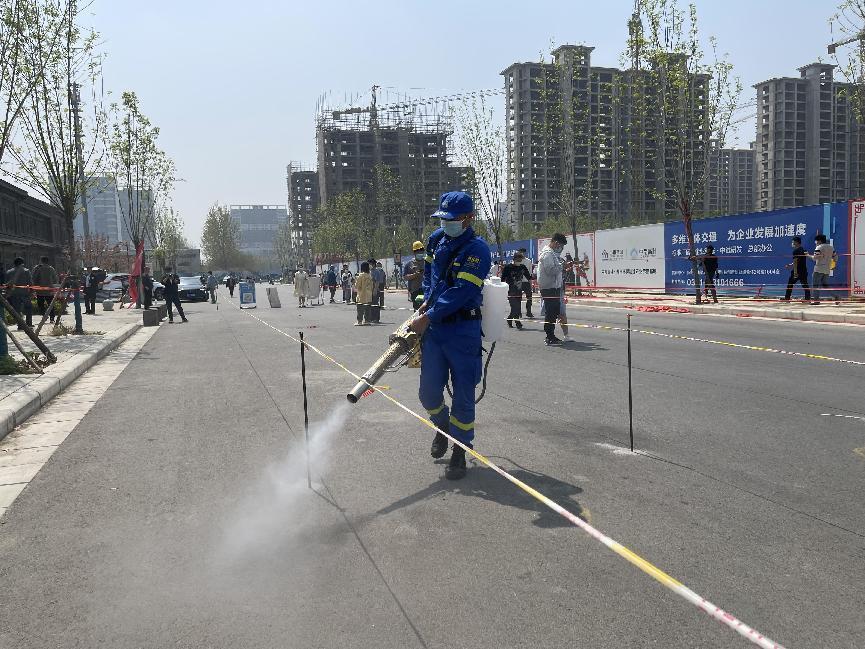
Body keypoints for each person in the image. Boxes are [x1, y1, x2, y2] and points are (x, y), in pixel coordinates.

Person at [410, 191, 491, 480]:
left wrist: (429, 315)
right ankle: (443, 427)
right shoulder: (435, 239)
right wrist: (427, 298)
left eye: (452, 219)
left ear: (468, 218)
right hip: (436, 330)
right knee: (428, 391)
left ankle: (460, 450)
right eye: (442, 219)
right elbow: (430, 272)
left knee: (464, 395)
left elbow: (463, 291)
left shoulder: (478, 250)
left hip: (462, 330)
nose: (446, 224)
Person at [536, 233, 572, 345]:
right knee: (550, 313)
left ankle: (551, 335)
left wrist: (562, 266)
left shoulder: (551, 254)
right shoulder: (547, 254)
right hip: (549, 288)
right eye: (560, 245)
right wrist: (563, 267)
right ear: (556, 243)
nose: (560, 248)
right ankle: (549, 336)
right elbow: (550, 271)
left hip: (554, 288)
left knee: (554, 312)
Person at [808, 234, 840, 305]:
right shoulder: (831, 247)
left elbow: (815, 258)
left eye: (816, 241)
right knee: (825, 285)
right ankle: (836, 296)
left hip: (818, 269)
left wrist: (807, 255)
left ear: (819, 241)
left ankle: (816, 301)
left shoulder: (819, 247)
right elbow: (836, 258)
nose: (815, 242)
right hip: (827, 270)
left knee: (815, 285)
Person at [501, 252, 530, 329]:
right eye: (519, 259)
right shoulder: (508, 267)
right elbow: (502, 279)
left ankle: (509, 319)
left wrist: (534, 278)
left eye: (521, 259)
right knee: (515, 307)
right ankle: (518, 322)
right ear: (514, 259)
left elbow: (528, 276)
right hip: (510, 290)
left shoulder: (522, 267)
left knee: (516, 307)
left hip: (519, 289)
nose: (520, 260)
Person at [5, 257, 33, 328]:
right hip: (25, 293)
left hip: (14, 293)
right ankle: (29, 324)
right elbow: (30, 283)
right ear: (22, 263)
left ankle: (20, 325)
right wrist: (31, 292)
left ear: (14, 263)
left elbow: (7, 284)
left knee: (17, 310)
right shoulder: (26, 271)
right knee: (28, 308)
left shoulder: (9, 272)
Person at [782, 236, 810, 302]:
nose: (792, 243)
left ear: (796, 242)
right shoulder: (803, 250)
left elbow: (795, 262)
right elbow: (798, 261)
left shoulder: (795, 251)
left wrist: (795, 273)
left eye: (793, 242)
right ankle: (807, 299)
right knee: (805, 285)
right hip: (803, 271)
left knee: (790, 284)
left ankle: (787, 298)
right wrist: (791, 265)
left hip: (797, 271)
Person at [31, 256, 58, 322]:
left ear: (41, 261)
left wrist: (34, 286)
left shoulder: (37, 268)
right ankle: (52, 318)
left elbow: (34, 277)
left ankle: (44, 316)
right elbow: (55, 279)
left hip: (40, 290)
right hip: (49, 290)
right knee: (50, 304)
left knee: (41, 304)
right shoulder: (51, 268)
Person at [403, 241, 426, 309]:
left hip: (426, 290)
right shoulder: (409, 264)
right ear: (414, 252)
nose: (420, 253)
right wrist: (415, 275)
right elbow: (405, 277)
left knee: (425, 310)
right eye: (418, 251)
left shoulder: (427, 262)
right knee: (417, 310)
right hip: (415, 290)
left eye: (421, 251)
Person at [518, 247, 534, 318]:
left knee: (529, 298)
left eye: (523, 252)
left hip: (526, 282)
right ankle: (518, 312)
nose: (522, 254)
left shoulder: (529, 261)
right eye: (521, 252)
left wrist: (531, 284)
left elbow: (530, 273)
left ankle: (528, 312)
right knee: (518, 298)